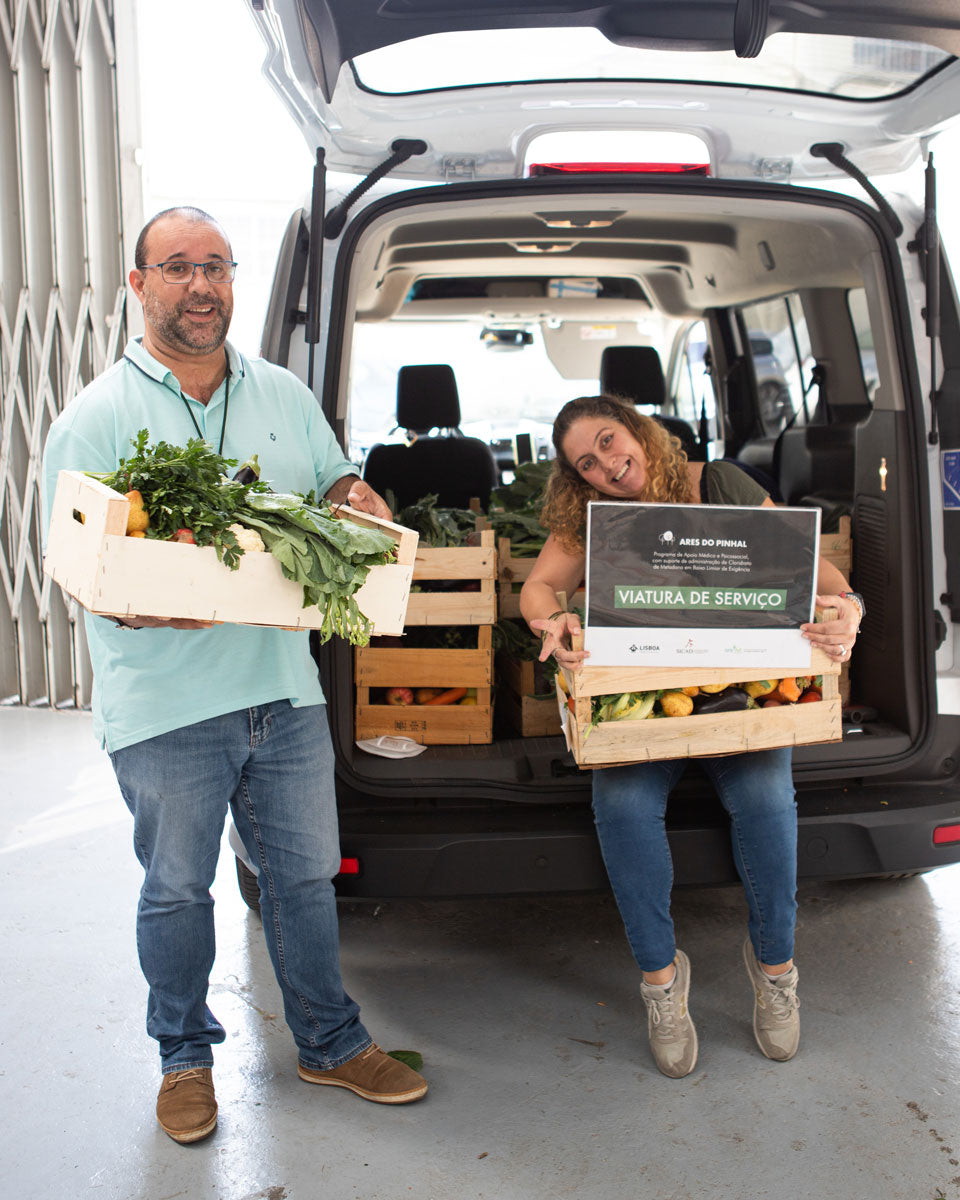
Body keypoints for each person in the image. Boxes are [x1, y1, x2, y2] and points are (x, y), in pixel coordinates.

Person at [42, 207, 428, 1143]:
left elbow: (332, 480)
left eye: (215, 265)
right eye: (177, 267)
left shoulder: (284, 395)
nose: (201, 285)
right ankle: (183, 1059)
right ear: (139, 286)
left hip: (281, 690)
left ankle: (330, 1042)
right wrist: (135, 599)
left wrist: (353, 496)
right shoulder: (96, 418)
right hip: (166, 704)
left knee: (301, 880)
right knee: (177, 889)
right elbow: (70, 559)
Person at [520, 395, 863, 1079]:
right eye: (587, 464)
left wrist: (846, 610)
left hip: (741, 697)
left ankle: (774, 968)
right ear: (577, 479)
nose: (609, 466)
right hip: (646, 702)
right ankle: (659, 981)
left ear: (640, 432)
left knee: (767, 799)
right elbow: (538, 588)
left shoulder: (723, 484)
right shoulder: (590, 521)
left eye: (612, 442)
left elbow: (821, 577)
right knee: (620, 807)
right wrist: (551, 619)